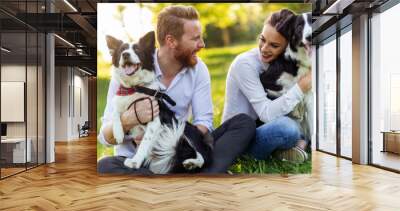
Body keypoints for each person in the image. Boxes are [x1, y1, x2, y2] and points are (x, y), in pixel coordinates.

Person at [97, 5, 256, 174]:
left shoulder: (198, 69)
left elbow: (203, 123)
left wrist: (176, 145)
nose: (202, 44)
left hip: (183, 146)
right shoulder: (129, 70)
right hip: (136, 159)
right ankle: (203, 175)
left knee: (243, 123)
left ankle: (185, 172)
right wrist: (129, 119)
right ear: (171, 41)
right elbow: (105, 138)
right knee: (104, 166)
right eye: (195, 38)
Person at [222, 9, 312, 163]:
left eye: (274, 45)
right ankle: (294, 144)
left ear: (287, 46)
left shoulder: (286, 64)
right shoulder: (245, 64)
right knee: (287, 127)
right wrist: (301, 87)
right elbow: (266, 113)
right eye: (262, 39)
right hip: (241, 141)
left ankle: (291, 148)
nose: (264, 49)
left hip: (265, 127)